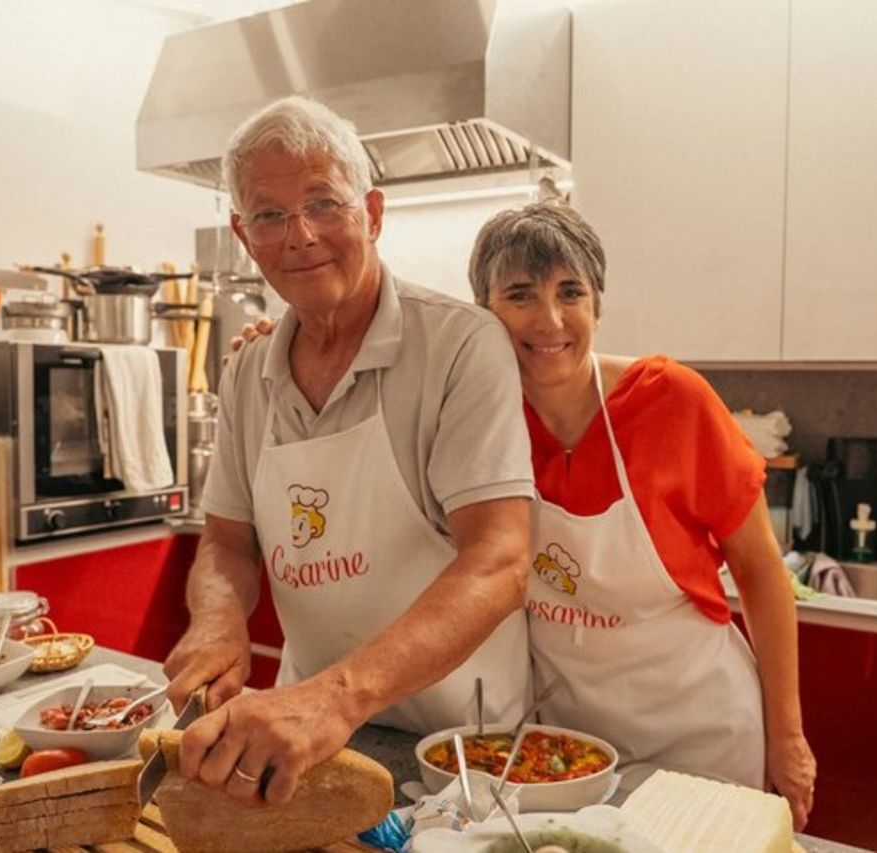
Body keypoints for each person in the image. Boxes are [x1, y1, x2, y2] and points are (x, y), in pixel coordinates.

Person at [164, 95, 536, 807]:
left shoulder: (460, 345)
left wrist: (336, 696)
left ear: (373, 212)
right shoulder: (247, 371)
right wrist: (217, 618)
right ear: (245, 237)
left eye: (323, 204)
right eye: (270, 215)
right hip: (301, 739)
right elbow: (226, 542)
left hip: (459, 750)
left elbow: (500, 562)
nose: (299, 236)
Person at [467, 201, 816, 829]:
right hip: (568, 745)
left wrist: (787, 738)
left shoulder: (672, 402)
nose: (550, 319)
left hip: (701, 734)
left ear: (597, 304)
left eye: (570, 291)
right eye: (520, 295)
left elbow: (763, 572)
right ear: (485, 313)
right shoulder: (482, 418)